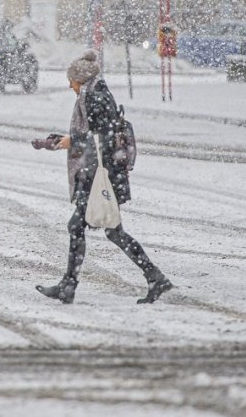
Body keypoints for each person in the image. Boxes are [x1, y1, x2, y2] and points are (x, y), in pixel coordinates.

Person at [35, 49, 173, 304]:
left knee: (83, 227)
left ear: (80, 79)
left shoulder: (96, 96)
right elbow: (97, 133)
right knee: (109, 230)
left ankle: (70, 285)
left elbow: (104, 136)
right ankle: (154, 277)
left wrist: (73, 140)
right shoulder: (95, 92)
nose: (69, 86)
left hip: (102, 175)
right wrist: (63, 140)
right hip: (102, 172)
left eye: (71, 81)